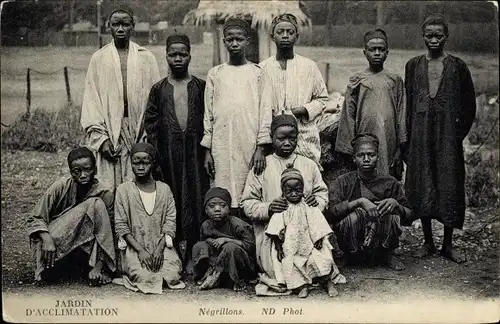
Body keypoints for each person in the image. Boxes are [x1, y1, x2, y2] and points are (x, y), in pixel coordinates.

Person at [241, 114, 345, 296]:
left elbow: (322, 193)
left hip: (307, 229)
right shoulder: (262, 165)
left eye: (292, 138)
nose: (287, 142)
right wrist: (269, 208)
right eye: (281, 138)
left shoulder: (309, 164)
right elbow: (248, 203)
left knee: (320, 255)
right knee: (280, 268)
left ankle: (317, 279)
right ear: (272, 139)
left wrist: (317, 202)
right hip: (275, 233)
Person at [404, 16, 476, 263]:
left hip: (448, 137)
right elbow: (409, 103)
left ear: (447, 37)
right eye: (429, 35)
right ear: (422, 36)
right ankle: (427, 241)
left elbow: (469, 105)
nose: (433, 39)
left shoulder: (458, 66)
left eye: (438, 35)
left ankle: (447, 244)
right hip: (420, 136)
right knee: (423, 181)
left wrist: (456, 135)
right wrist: (409, 138)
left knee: (448, 183)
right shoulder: (413, 65)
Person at [143, 33, 209, 274]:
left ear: (190, 56)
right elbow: (151, 124)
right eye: (173, 54)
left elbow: (209, 119)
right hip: (168, 155)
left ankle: (193, 250)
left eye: (183, 54)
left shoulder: (201, 87)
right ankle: (175, 251)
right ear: (166, 57)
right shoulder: (159, 89)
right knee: (172, 200)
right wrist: (155, 157)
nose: (178, 58)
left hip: (195, 154)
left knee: (195, 197)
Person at [81, 9, 161, 189]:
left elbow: (156, 100)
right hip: (109, 128)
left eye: (125, 24)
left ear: (132, 26)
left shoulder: (146, 57)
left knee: (137, 182)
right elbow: (91, 98)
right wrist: (101, 139)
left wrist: (147, 135)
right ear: (109, 27)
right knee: (108, 185)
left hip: (139, 128)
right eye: (115, 24)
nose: (120, 29)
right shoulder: (99, 58)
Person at [202, 18, 269, 218]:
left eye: (239, 39)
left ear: (248, 41)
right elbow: (209, 114)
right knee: (223, 187)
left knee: (249, 188)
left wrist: (261, 147)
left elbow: (265, 111)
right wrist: (208, 150)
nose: (234, 43)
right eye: (230, 39)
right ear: (224, 42)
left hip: (249, 140)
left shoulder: (258, 73)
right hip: (221, 143)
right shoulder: (216, 74)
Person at [26, 147, 116, 286]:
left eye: (87, 169)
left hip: (84, 247)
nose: (83, 175)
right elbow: (35, 218)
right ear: (70, 172)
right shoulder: (60, 186)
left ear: (96, 170)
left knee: (97, 204)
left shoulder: (105, 194)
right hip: (56, 243)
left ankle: (97, 267)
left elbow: (108, 232)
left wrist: (99, 264)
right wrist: (47, 239)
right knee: (94, 204)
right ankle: (50, 266)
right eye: (77, 171)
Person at [329, 134, 413, 271]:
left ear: (378, 157)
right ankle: (349, 256)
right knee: (354, 216)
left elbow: (409, 215)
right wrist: (358, 203)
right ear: (354, 158)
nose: (366, 159)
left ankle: (387, 254)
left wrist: (396, 205)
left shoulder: (389, 182)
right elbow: (330, 214)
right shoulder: (343, 181)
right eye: (361, 155)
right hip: (353, 242)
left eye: (371, 155)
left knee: (390, 214)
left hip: (381, 240)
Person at [259, 13, 330, 168]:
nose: (285, 36)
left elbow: (323, 99)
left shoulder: (309, 66)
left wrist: (302, 110)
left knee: (304, 178)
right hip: (273, 138)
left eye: (290, 32)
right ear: (272, 36)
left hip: (303, 135)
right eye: (280, 32)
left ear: (296, 36)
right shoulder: (262, 68)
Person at [114, 143, 185, 294]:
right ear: (131, 163)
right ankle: (131, 271)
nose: (140, 167)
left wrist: (159, 250)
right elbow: (121, 225)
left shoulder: (164, 189)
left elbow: (170, 221)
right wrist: (141, 251)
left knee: (172, 275)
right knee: (144, 276)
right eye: (136, 162)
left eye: (145, 162)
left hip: (160, 245)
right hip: (135, 247)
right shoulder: (123, 190)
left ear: (153, 163)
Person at [336, 28, 406, 178]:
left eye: (381, 49)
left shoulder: (395, 80)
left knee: (387, 173)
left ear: (387, 52)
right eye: (372, 49)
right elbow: (348, 114)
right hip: (364, 134)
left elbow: (401, 113)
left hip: (389, 138)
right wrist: (349, 146)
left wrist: (401, 146)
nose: (376, 53)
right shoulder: (357, 80)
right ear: (364, 52)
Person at [266, 166, 339, 298]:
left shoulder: (308, 204)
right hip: (291, 245)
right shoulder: (282, 207)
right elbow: (274, 229)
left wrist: (319, 238)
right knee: (291, 264)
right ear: (283, 191)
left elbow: (317, 221)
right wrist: (278, 248)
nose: (294, 194)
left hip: (310, 241)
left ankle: (328, 282)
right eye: (289, 191)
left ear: (303, 189)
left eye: (298, 190)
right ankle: (302, 286)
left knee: (322, 257)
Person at [192, 187, 256, 291]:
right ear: (206, 210)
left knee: (230, 247)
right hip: (218, 262)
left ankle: (237, 280)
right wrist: (209, 241)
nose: (217, 209)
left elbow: (251, 247)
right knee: (199, 246)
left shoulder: (238, 225)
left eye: (222, 205)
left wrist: (226, 240)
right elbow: (204, 240)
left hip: (240, 265)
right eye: (212, 206)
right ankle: (204, 276)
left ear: (229, 208)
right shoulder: (206, 225)